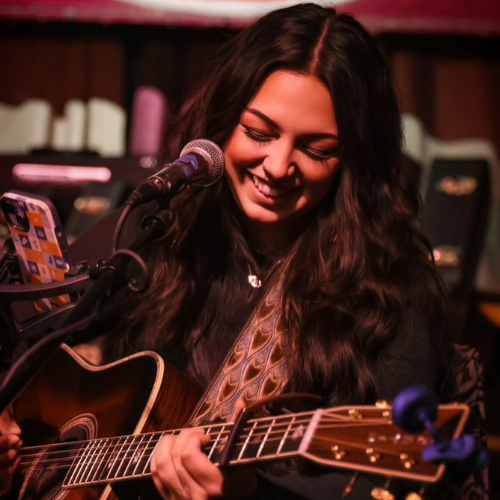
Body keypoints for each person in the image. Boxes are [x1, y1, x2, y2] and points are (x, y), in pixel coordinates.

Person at [0, 3, 458, 499]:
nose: (277, 166)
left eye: (317, 149)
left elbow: (385, 480)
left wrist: (250, 492)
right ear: (223, 121)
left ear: (355, 159)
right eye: (258, 133)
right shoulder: (158, 234)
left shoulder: (392, 292)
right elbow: (34, 341)